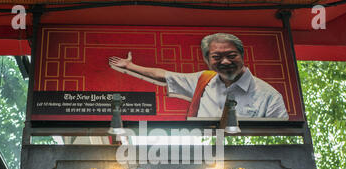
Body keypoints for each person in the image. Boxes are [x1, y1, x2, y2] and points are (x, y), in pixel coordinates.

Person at [109, 33, 288, 119]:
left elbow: (282, 140)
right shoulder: (204, 80)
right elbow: (164, 76)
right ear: (207, 60)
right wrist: (130, 66)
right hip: (205, 153)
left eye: (231, 55)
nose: (225, 62)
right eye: (217, 57)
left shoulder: (270, 97)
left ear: (242, 56)